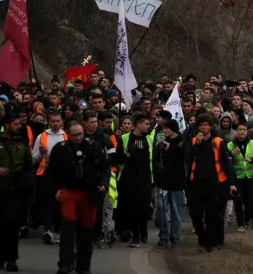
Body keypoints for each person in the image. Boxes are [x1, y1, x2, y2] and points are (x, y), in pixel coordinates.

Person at [47, 120, 109, 274]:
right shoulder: (60, 150)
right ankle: (65, 263)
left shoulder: (93, 147)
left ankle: (83, 266)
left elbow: (105, 168)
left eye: (80, 134)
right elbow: (51, 172)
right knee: (68, 226)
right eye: (74, 135)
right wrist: (56, 190)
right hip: (68, 192)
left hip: (88, 194)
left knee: (86, 230)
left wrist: (103, 183)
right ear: (68, 134)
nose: (77, 138)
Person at [0, 111, 35, 272]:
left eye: (20, 124)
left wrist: (30, 191)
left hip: (16, 191)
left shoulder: (22, 144)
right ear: (7, 125)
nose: (19, 127)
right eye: (15, 124)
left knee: (12, 226)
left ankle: (12, 259)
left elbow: (28, 167)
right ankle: (0, 255)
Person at [185, 114, 236, 252]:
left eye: (206, 125)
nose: (203, 127)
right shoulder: (194, 140)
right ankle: (203, 238)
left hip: (214, 183)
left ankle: (208, 243)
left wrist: (231, 183)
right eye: (201, 125)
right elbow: (187, 157)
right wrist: (197, 144)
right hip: (196, 183)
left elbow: (226, 163)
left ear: (210, 126)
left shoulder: (218, 142)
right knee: (196, 215)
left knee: (211, 215)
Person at [114, 114, 154, 247]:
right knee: (131, 208)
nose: (148, 127)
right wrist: (127, 155)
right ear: (138, 124)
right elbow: (117, 157)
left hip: (145, 178)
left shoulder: (149, 139)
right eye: (146, 124)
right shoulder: (125, 138)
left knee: (144, 209)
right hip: (128, 178)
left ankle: (143, 231)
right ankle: (135, 236)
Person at [32, 110, 68, 245]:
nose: (55, 124)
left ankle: (57, 231)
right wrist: (40, 154)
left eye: (58, 121)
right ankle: (48, 230)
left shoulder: (66, 137)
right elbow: (34, 159)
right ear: (48, 122)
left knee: (60, 204)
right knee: (48, 203)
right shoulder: (41, 137)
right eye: (53, 121)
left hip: (62, 176)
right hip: (45, 175)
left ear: (62, 122)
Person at [154, 119, 186, 248]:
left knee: (176, 211)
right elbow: (156, 157)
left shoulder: (182, 141)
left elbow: (185, 155)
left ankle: (175, 237)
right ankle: (163, 235)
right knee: (162, 209)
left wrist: (171, 148)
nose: (164, 130)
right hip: (163, 181)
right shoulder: (161, 142)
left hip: (177, 181)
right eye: (164, 128)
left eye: (167, 128)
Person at [226, 121, 253, 233]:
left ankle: (247, 221)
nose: (242, 131)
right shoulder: (230, 145)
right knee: (238, 200)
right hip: (238, 177)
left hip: (251, 176)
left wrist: (252, 159)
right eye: (240, 129)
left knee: (250, 201)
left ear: (247, 132)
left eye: (244, 130)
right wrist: (231, 154)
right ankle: (240, 224)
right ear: (236, 131)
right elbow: (225, 160)